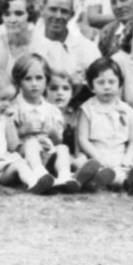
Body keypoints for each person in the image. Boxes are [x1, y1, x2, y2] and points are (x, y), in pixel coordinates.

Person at [76, 57, 133, 193]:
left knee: (132, 167)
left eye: (111, 82)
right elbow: (82, 139)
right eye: (100, 82)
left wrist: (127, 157)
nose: (107, 86)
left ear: (119, 84)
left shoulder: (127, 111)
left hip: (120, 155)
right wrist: (98, 156)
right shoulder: (88, 109)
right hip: (96, 154)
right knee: (92, 167)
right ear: (91, 86)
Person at [11, 54, 79, 192]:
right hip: (25, 157)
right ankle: (39, 175)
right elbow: (9, 142)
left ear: (46, 80)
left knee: (63, 149)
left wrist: (52, 132)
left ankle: (64, 176)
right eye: (28, 79)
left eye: (39, 78)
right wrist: (22, 130)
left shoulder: (52, 110)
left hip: (48, 154)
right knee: (31, 144)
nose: (34, 83)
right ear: (19, 82)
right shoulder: (15, 107)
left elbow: (58, 140)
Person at [0, 0, 45, 78]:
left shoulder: (40, 43)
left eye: (19, 14)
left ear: (29, 15)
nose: (12, 20)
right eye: (7, 14)